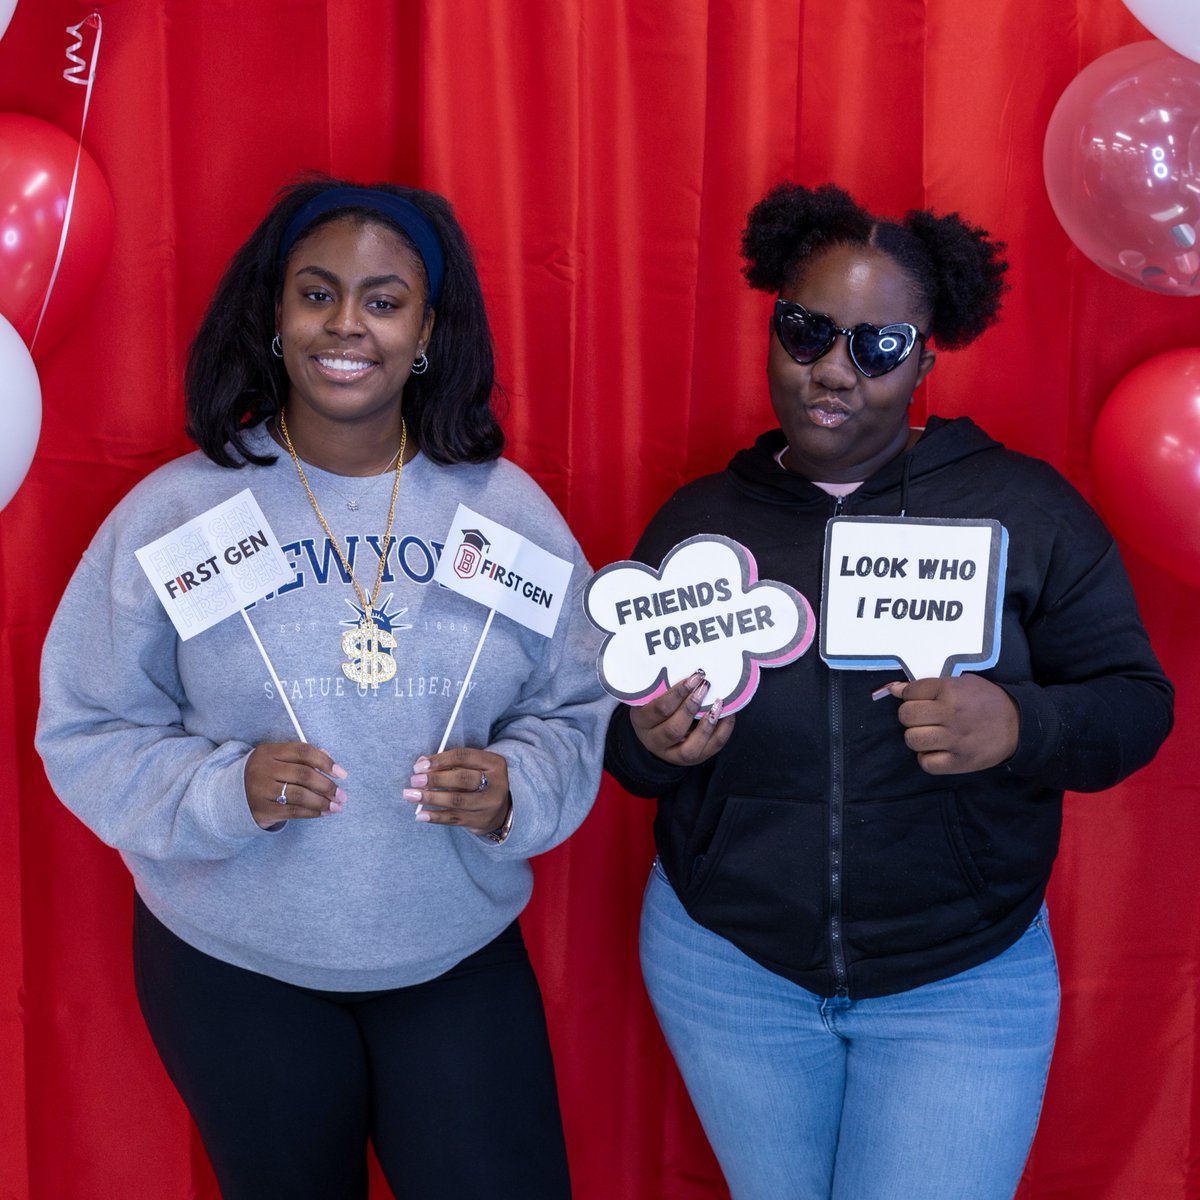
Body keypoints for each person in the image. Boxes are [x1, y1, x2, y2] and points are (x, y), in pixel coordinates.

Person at [36, 177, 612, 1199]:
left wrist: (519, 787)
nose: (348, 324)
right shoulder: (175, 512)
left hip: (453, 958)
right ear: (274, 314)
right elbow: (84, 727)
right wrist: (223, 791)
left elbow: (575, 704)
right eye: (317, 294)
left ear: (429, 328)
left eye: (384, 301)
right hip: (234, 971)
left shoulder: (504, 512)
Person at [604, 182, 1174, 1200]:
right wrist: (653, 745)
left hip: (962, 979)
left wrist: (1018, 724)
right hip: (729, 969)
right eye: (806, 331)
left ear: (925, 358)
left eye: (876, 346)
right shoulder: (701, 520)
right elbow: (621, 738)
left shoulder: (1021, 507)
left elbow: (1137, 704)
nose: (832, 371)